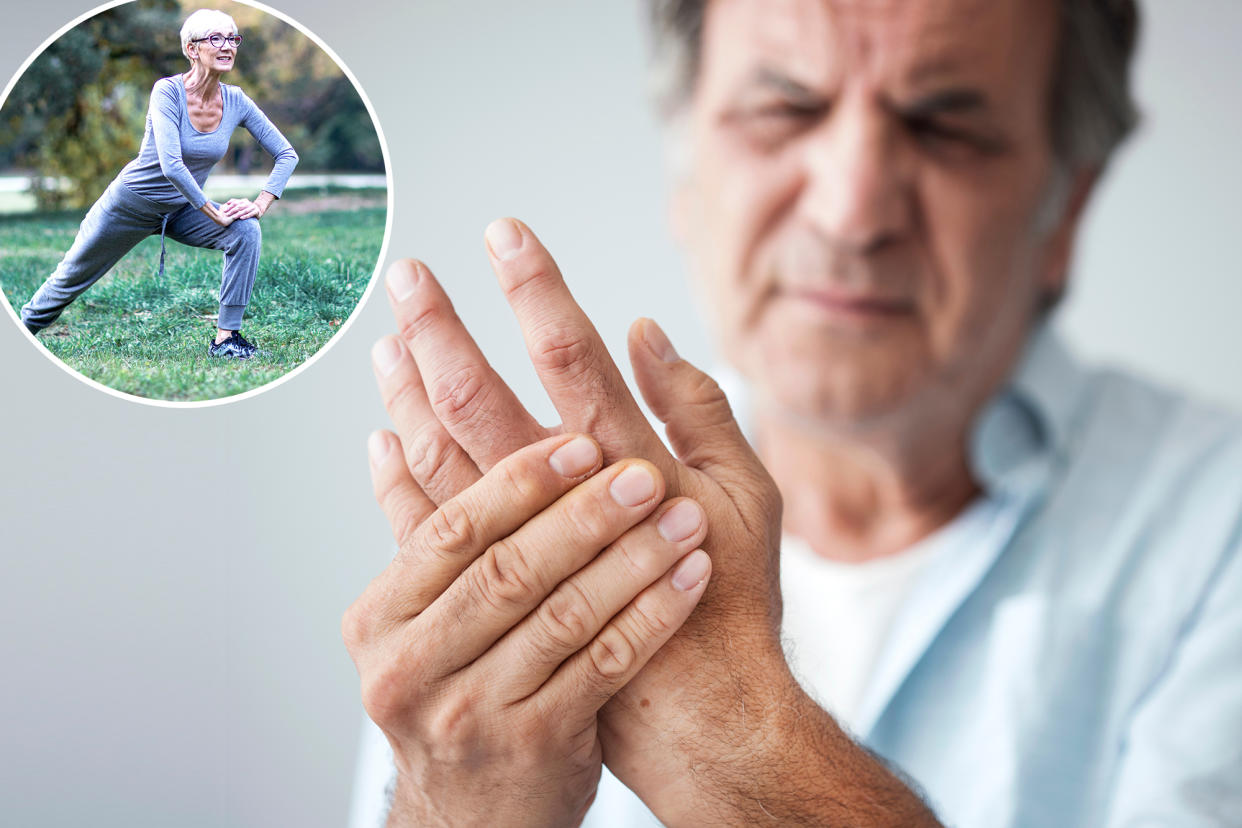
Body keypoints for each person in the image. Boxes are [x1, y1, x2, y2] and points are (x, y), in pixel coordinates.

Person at [345, 1, 1242, 825]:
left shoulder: (1217, 533)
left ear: (1066, 211)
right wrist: (457, 803)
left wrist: (734, 740)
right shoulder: (524, 547)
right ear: (685, 171)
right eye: (785, 110)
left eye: (945, 126)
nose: (852, 212)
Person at [20, 8, 298, 360]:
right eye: (216, 38)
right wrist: (212, 210)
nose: (227, 45)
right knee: (67, 281)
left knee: (246, 230)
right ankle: (20, 332)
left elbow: (286, 154)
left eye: (232, 38)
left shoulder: (236, 100)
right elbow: (172, 166)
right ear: (192, 49)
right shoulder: (167, 92)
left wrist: (259, 204)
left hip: (181, 209)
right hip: (130, 205)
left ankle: (226, 338)